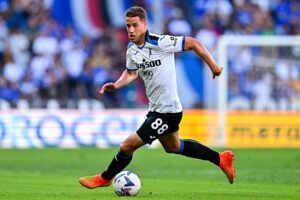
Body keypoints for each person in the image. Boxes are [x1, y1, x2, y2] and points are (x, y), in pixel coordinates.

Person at [79, 6, 235, 188]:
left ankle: (105, 178)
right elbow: (131, 73)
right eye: (128, 26)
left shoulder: (160, 42)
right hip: (157, 109)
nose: (130, 30)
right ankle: (221, 159)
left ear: (145, 25)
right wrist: (117, 84)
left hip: (167, 111)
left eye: (135, 25)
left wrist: (214, 66)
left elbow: (193, 43)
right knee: (174, 147)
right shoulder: (132, 50)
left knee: (126, 146)